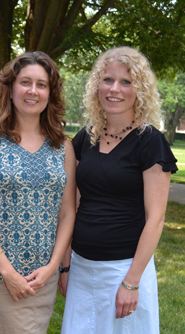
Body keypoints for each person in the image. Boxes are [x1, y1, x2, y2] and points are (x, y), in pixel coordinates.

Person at [59, 46, 178, 334]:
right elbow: (69, 208)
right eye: (107, 80)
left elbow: (156, 219)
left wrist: (131, 282)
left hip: (124, 270)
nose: (115, 89)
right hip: (82, 268)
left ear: (140, 90)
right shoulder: (84, 139)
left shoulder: (150, 142)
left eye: (126, 82)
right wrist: (65, 265)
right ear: (96, 86)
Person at [0, 51, 76, 334]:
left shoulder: (62, 146)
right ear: (11, 88)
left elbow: (67, 213)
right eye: (25, 82)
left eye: (42, 84)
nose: (33, 91)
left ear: (51, 93)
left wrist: (53, 268)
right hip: (1, 277)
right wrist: (8, 273)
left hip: (43, 277)